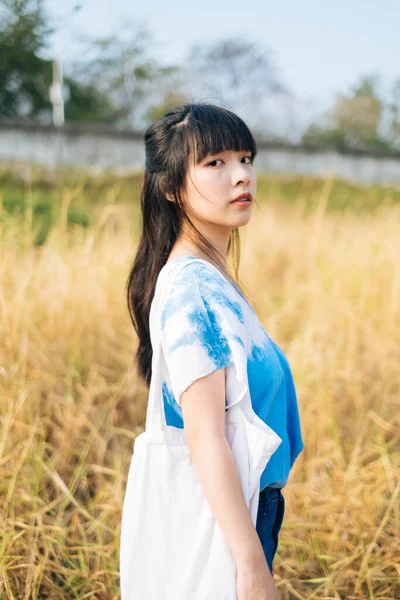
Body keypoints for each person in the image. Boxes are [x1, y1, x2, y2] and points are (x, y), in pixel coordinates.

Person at [126, 102, 304, 599]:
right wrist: (250, 566)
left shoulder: (214, 280)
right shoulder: (191, 291)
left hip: (248, 511)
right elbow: (205, 436)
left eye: (246, 158)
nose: (241, 176)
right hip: (225, 528)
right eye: (215, 163)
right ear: (170, 188)